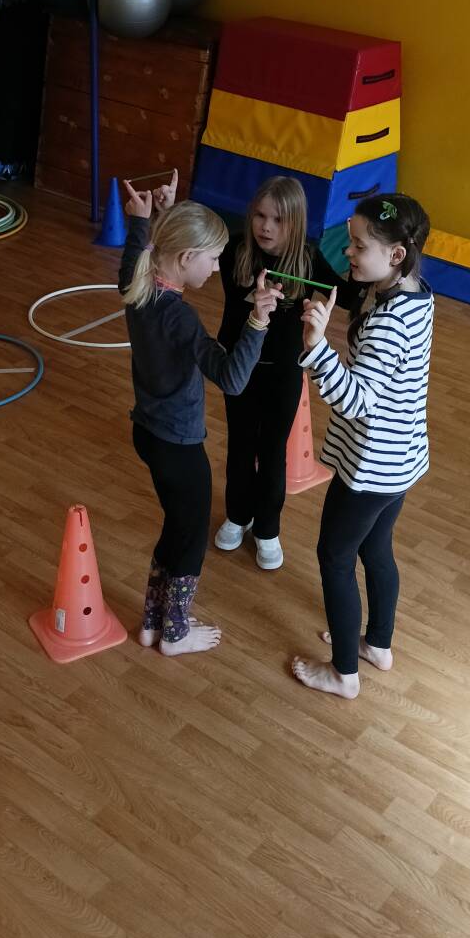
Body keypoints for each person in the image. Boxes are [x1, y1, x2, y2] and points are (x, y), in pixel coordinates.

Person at [119, 174, 282, 656]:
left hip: (148, 433)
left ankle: (152, 622)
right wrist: (257, 321)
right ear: (187, 257)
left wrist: (152, 218)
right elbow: (231, 378)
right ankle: (174, 634)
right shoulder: (179, 316)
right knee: (190, 539)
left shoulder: (137, 285)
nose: (215, 268)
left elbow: (138, 252)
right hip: (179, 445)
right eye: (212, 259)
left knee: (176, 525)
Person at [291, 193, 434, 699]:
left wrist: (316, 347)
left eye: (358, 245)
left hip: (371, 468)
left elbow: (356, 400)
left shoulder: (389, 322)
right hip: (400, 460)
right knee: (376, 549)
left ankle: (344, 674)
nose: (347, 252)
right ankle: (377, 644)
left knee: (334, 557)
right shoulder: (413, 294)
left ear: (396, 254)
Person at [214, 176, 360, 571]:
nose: (266, 227)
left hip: (282, 373)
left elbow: (349, 296)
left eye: (278, 220)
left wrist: (356, 256)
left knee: (272, 451)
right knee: (241, 445)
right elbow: (229, 305)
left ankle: (267, 528)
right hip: (239, 369)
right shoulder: (235, 251)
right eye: (260, 216)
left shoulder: (308, 260)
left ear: (295, 224)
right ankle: (237, 515)